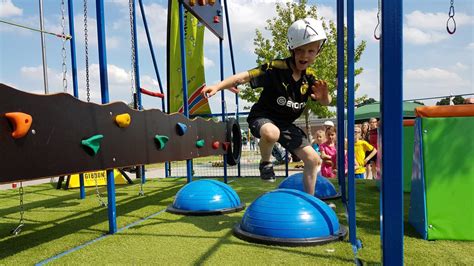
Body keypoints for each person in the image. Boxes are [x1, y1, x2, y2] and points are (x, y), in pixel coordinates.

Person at [201, 18, 331, 195]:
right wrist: (217, 86)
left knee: (314, 160)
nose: (305, 55)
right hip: (263, 118)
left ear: (317, 52)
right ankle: (265, 162)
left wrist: (325, 98)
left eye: (310, 51)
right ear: (291, 49)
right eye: (300, 50)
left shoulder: (310, 78)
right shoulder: (276, 68)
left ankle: (310, 200)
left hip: (286, 125)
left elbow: (324, 101)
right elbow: (243, 77)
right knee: (272, 133)